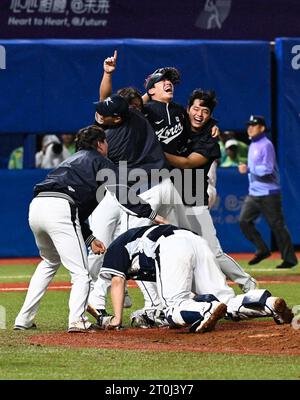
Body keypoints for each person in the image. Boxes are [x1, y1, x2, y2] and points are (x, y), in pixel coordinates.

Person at [14, 125, 164, 333]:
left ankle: (23, 319)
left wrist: (90, 238)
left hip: (38, 206)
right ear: (100, 144)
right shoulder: (100, 161)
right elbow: (122, 194)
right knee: (81, 274)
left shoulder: (68, 162)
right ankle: (77, 320)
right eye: (105, 141)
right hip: (61, 208)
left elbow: (73, 212)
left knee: (49, 262)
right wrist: (151, 214)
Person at [94, 224, 293, 331]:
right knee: (225, 300)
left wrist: (116, 319)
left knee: (173, 307)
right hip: (195, 240)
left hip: (171, 246)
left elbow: (117, 281)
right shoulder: (135, 241)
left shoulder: (113, 250)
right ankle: (268, 302)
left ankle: (206, 308)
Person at [164, 89, 257, 293]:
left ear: (210, 115)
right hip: (171, 199)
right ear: (187, 109)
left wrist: (158, 151)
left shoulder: (210, 142)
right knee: (175, 252)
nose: (199, 114)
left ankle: (248, 284)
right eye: (195, 108)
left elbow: (188, 163)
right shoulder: (177, 120)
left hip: (193, 198)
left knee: (213, 252)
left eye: (204, 111)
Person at [238, 115, 298, 269]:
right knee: (244, 221)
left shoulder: (266, 145)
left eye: (254, 125)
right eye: (248, 125)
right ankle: (263, 249)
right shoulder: (252, 145)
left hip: (269, 194)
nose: (249, 128)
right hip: (254, 194)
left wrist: (248, 169)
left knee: (277, 226)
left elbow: (267, 169)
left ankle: (289, 259)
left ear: (262, 128)